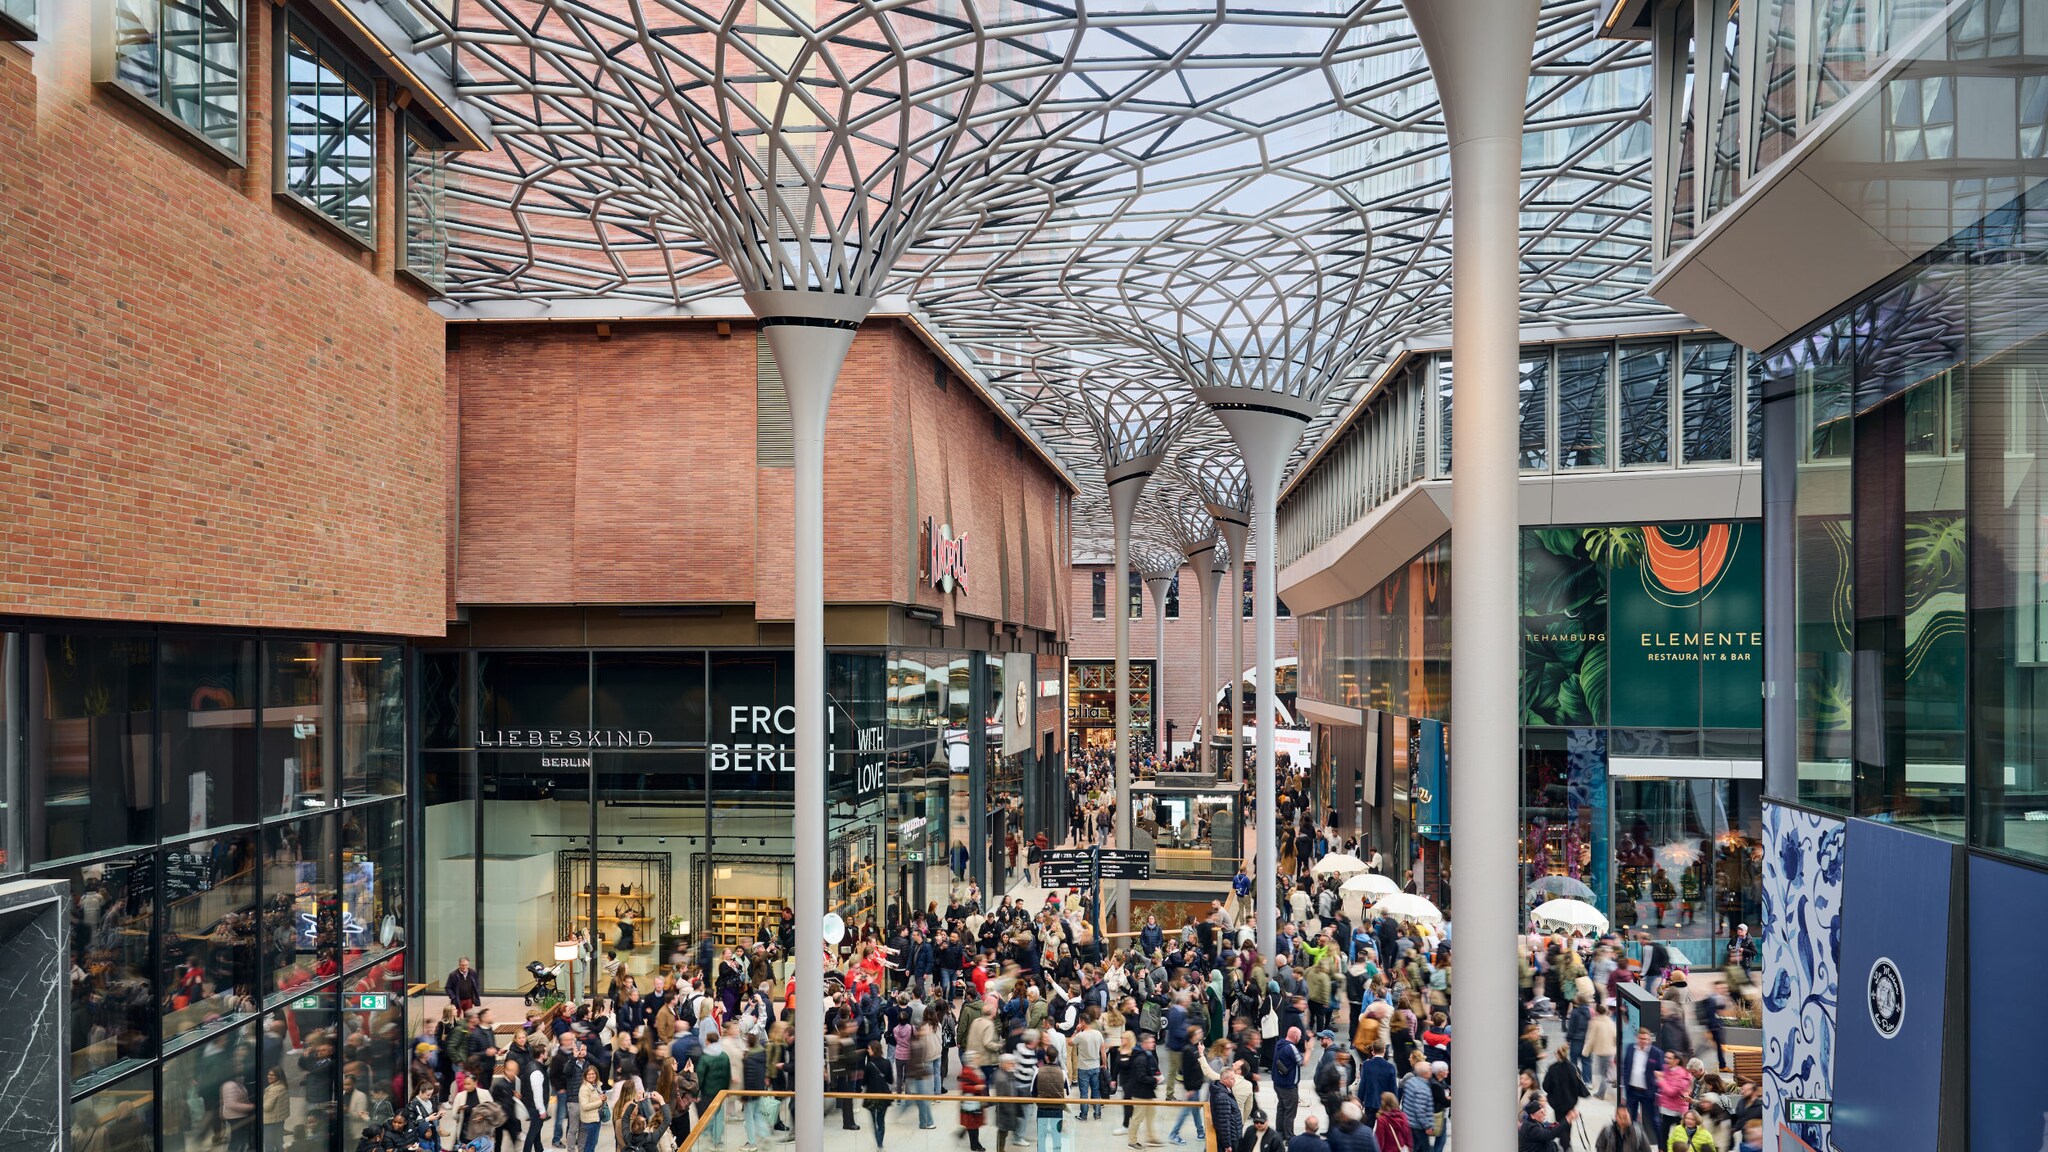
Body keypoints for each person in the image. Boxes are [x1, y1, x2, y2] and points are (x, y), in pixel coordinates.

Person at [1124, 1031, 1162, 1149]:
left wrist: (1156, 1075)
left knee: (1151, 1115)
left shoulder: (1147, 1055)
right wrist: (1155, 1080)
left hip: (1147, 1092)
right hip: (1140, 1093)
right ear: (1144, 1043)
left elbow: (1152, 1069)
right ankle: (1132, 1141)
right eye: (1151, 1042)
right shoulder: (1140, 1058)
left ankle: (1151, 1137)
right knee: (1137, 1118)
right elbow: (1141, 1077)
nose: (1153, 1044)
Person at [1616, 1029, 1663, 1126]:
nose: (1644, 1041)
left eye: (1646, 1039)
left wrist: (1656, 1081)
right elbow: (1625, 1066)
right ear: (1637, 1038)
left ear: (1650, 1040)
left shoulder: (1656, 1053)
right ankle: (1631, 1139)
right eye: (1641, 1038)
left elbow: (1662, 1071)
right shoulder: (1630, 1048)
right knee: (1630, 1119)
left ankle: (1660, 1140)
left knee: (1654, 1120)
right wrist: (1625, 1082)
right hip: (1632, 1090)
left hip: (1648, 1092)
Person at [1032, 1045, 1069, 1152]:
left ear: (1046, 1057)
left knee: (1041, 1137)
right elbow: (1068, 1090)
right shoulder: (1062, 1072)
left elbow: (1032, 1092)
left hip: (1042, 1107)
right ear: (1056, 1057)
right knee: (1056, 1136)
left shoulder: (1038, 1071)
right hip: (1057, 1109)